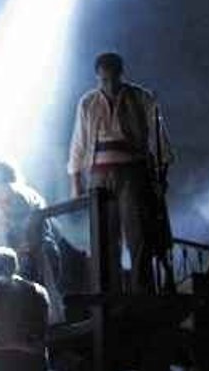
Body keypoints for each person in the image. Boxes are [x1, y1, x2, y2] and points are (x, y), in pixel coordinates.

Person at [67, 51, 173, 294]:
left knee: (138, 235)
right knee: (104, 238)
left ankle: (142, 293)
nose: (110, 85)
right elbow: (79, 142)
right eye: (104, 80)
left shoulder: (140, 97)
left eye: (113, 79)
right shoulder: (88, 102)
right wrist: (76, 180)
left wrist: (161, 175)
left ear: (121, 74)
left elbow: (160, 139)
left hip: (132, 172)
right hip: (99, 175)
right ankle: (110, 297)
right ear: (97, 78)